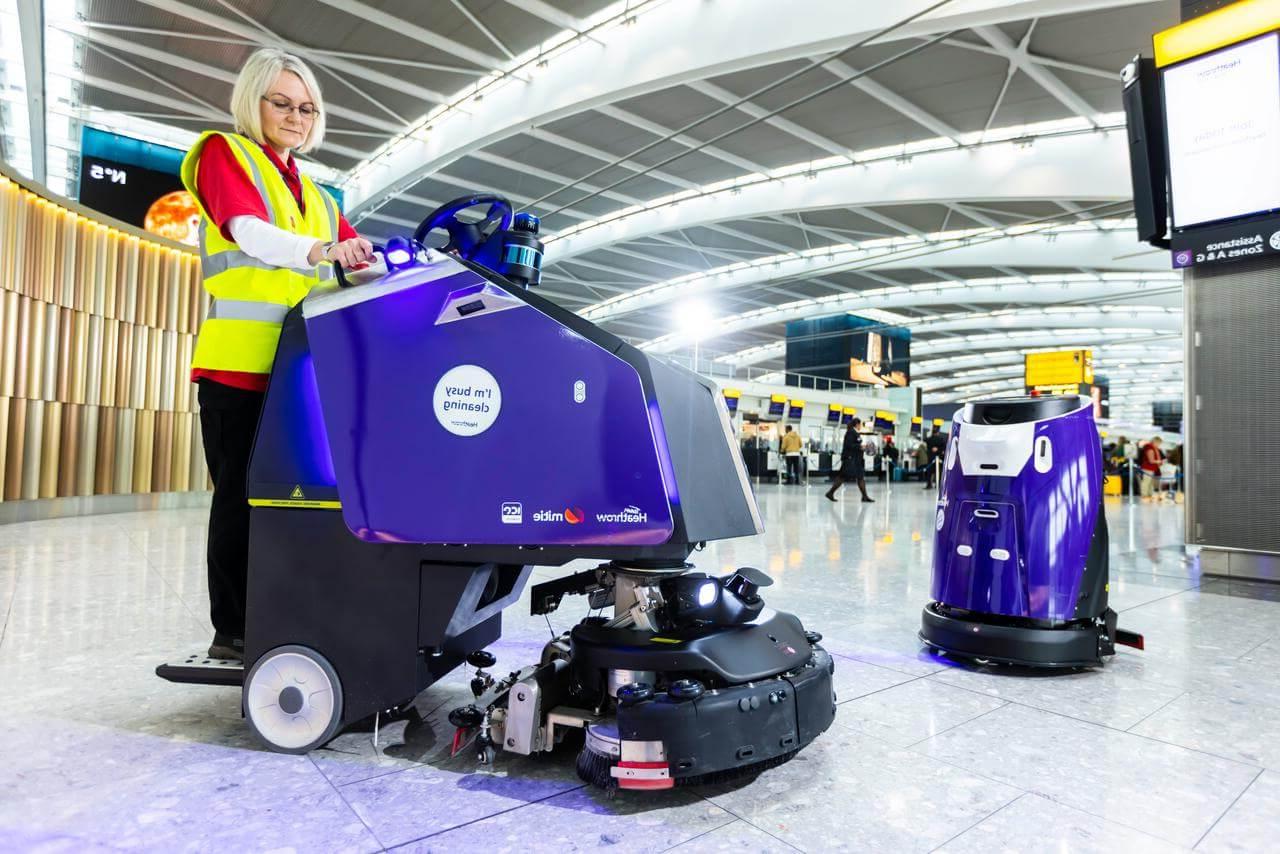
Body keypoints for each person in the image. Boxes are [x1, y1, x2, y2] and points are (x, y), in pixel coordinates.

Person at [184, 49, 374, 661]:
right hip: (240, 364)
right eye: (283, 103)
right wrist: (322, 251)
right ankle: (235, 630)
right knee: (241, 495)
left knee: (299, 496)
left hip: (300, 371)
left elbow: (355, 261)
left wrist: (378, 261)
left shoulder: (318, 193)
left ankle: (290, 611)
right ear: (255, 102)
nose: (296, 116)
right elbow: (246, 230)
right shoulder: (225, 153)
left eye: (308, 107)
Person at [825, 418, 873, 503]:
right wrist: (860, 447)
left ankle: (864, 496)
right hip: (850, 459)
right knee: (842, 476)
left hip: (856, 460)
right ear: (857, 424)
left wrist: (861, 446)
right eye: (860, 424)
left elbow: (855, 444)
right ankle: (830, 492)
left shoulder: (855, 433)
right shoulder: (850, 432)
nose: (860, 426)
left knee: (860, 477)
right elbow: (849, 445)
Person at [1139, 436, 1165, 501]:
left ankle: (1149, 495)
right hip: (1148, 468)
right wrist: (1160, 461)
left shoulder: (1152, 448)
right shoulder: (1150, 448)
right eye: (1159, 443)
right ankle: (1144, 495)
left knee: (1150, 482)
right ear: (1156, 442)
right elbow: (1151, 460)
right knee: (1146, 482)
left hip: (1152, 468)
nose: (1159, 445)